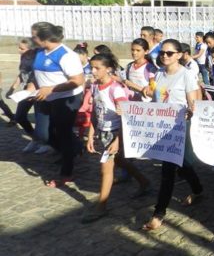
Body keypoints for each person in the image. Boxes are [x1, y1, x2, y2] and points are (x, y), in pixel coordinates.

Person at [141, 39, 203, 231]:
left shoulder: (186, 75)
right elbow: (154, 98)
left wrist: (190, 112)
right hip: (161, 127)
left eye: (169, 53)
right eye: (162, 53)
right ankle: (198, 189)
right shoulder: (158, 74)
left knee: (168, 170)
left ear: (178, 54)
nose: (164, 56)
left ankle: (159, 213)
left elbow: (193, 103)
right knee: (182, 164)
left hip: (179, 127)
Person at [81, 53, 151, 223]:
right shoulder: (95, 86)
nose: (93, 71)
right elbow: (94, 113)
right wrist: (90, 136)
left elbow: (125, 115)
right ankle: (144, 182)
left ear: (109, 69)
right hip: (102, 132)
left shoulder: (116, 89)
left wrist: (117, 140)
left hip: (116, 132)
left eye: (97, 68)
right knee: (121, 161)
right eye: (92, 67)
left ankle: (101, 207)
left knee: (105, 169)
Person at [29, 22, 85, 187]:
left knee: (63, 133)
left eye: (34, 36)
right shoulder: (39, 52)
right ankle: (75, 147)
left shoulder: (66, 55)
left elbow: (78, 81)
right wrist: (31, 88)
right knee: (42, 134)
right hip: (45, 97)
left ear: (45, 38)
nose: (32, 39)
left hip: (66, 98)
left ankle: (66, 173)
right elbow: (37, 74)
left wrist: (51, 89)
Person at [8, 39, 38, 152]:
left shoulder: (37, 60)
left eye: (22, 48)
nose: (19, 50)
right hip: (25, 92)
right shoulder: (23, 58)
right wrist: (12, 88)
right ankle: (35, 139)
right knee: (19, 116)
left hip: (37, 92)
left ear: (31, 49)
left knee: (41, 120)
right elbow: (22, 74)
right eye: (19, 47)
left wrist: (32, 90)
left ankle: (48, 143)